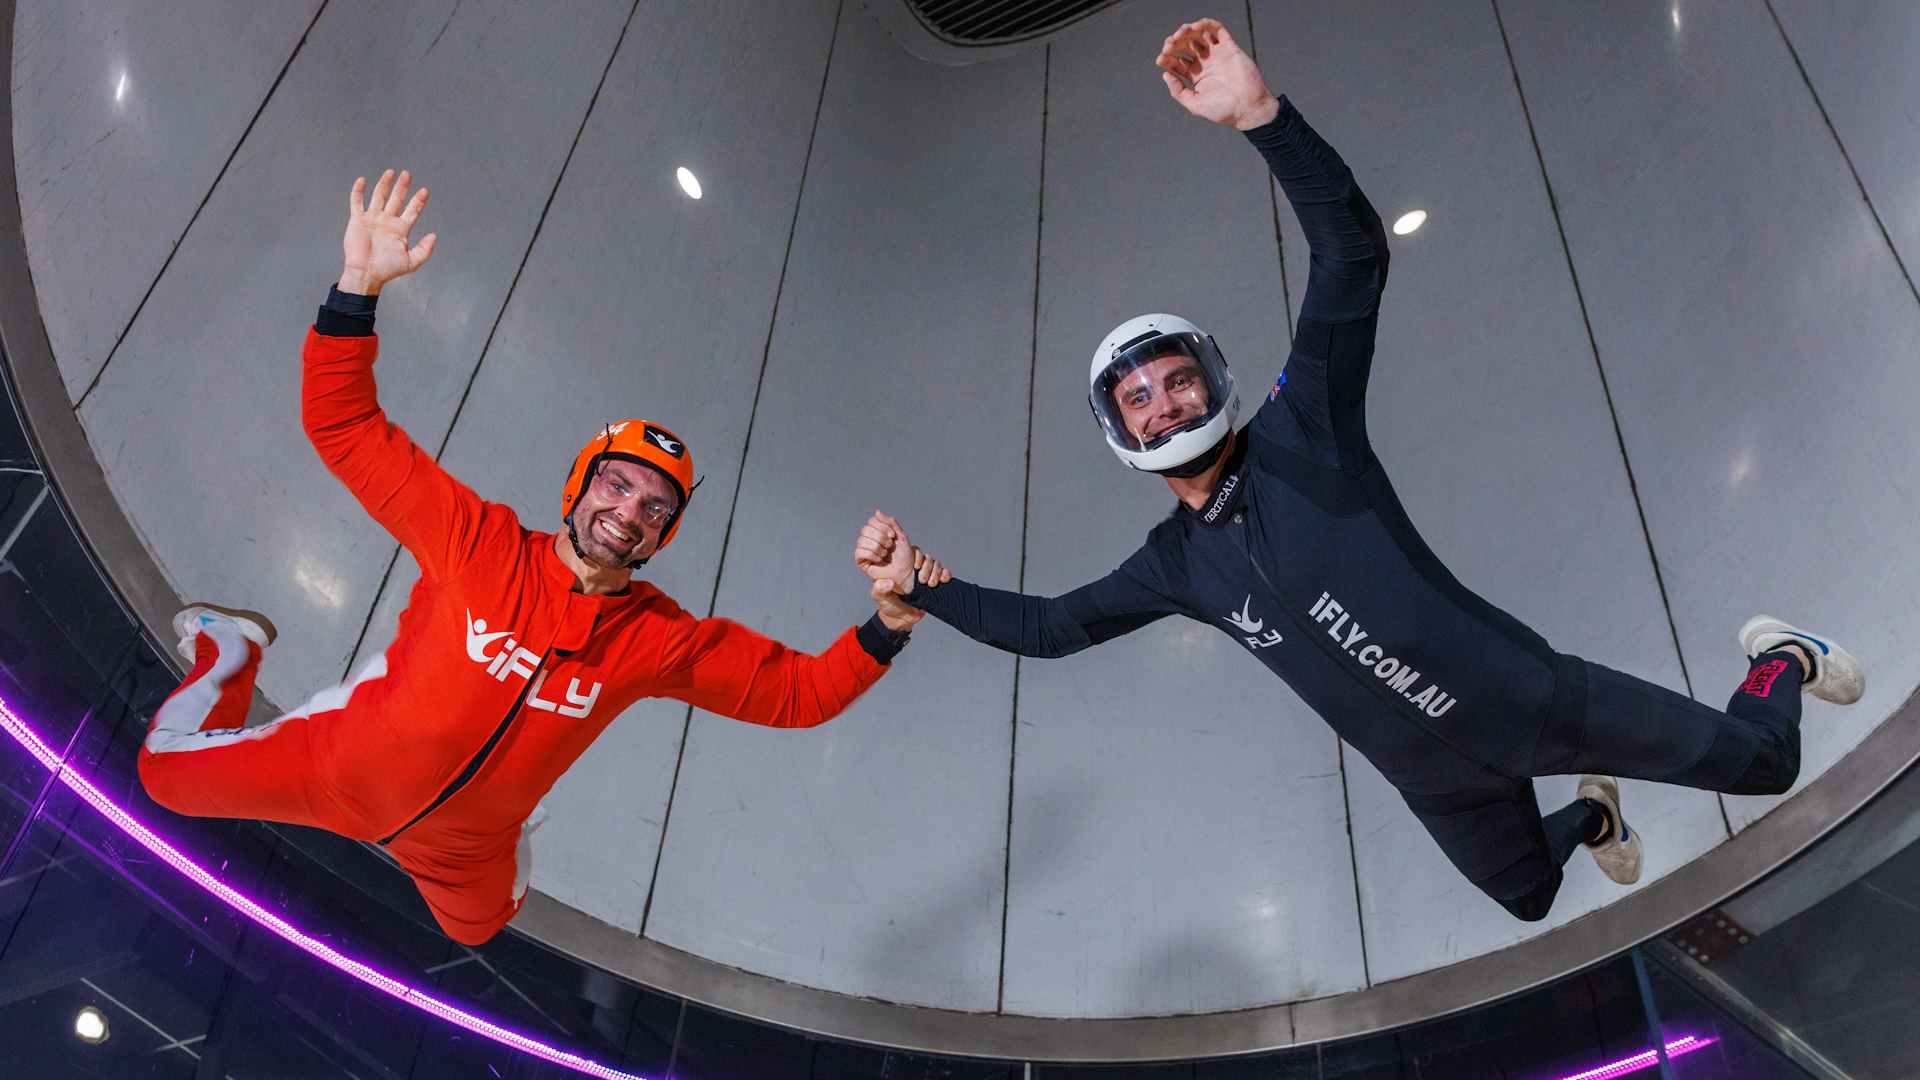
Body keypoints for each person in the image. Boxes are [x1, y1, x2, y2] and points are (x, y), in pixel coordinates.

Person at [856, 19, 1864, 923]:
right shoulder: (1173, 567)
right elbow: (1049, 627)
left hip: (1542, 703)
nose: (1164, 402)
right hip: (1437, 779)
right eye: (1139, 396)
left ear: (1213, 381)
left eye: (1176, 379)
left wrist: (1262, 117)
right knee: (1528, 897)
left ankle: (1777, 655)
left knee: (1766, 765)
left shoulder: (1306, 429)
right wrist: (922, 588)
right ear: (1119, 427)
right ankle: (1593, 823)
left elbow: (1351, 257)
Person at [138, 169, 927, 945]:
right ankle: (230, 649)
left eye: (656, 508)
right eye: (617, 485)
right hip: (335, 770)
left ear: (665, 536)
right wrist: (357, 287)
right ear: (578, 486)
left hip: (462, 848)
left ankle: (508, 823)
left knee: (480, 929)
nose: (630, 513)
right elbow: (343, 426)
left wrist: (889, 622)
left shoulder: (656, 640)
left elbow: (798, 694)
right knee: (161, 775)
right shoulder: (476, 540)